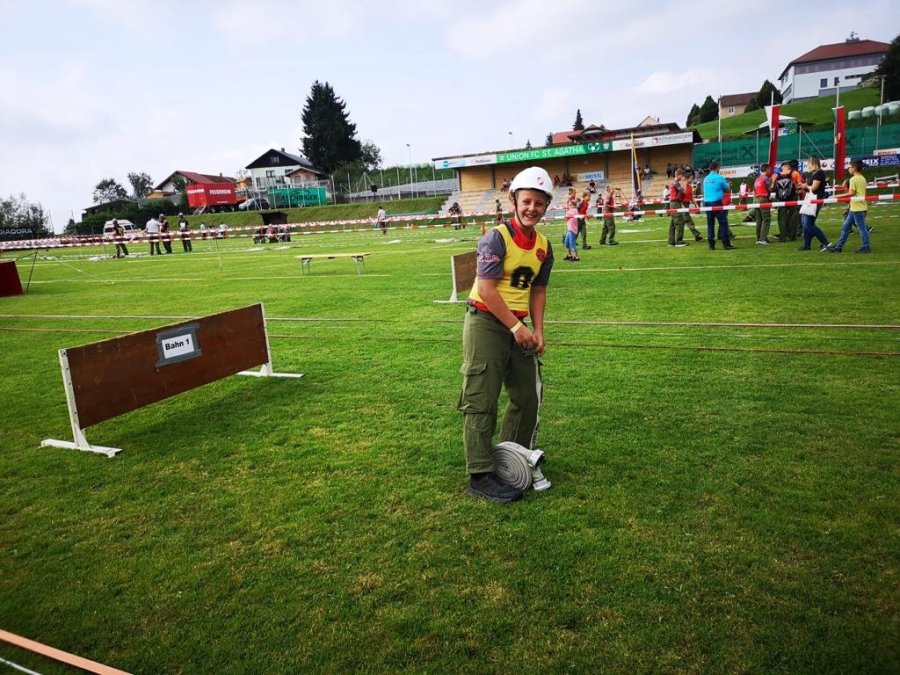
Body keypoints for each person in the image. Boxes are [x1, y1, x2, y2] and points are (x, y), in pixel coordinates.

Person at [459, 166, 555, 503]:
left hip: (519, 324)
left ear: (546, 206)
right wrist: (516, 327)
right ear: (514, 200)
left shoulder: (544, 245)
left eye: (539, 203)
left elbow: (538, 290)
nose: (532, 208)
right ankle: (481, 473)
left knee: (528, 395)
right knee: (481, 396)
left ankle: (512, 457)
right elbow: (486, 289)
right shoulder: (496, 238)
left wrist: (538, 329)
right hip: (487, 322)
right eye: (527, 201)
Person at [829, 159, 871, 253]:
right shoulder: (862, 178)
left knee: (861, 229)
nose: (848, 169)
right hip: (855, 208)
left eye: (849, 167)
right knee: (845, 227)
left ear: (854, 168)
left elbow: (851, 193)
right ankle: (838, 247)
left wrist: (836, 196)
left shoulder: (853, 179)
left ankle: (866, 247)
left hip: (858, 209)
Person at [797, 155, 830, 252]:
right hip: (810, 200)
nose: (808, 165)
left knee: (808, 224)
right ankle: (806, 245)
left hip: (815, 201)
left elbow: (814, 188)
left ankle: (825, 243)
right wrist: (804, 186)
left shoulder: (819, 173)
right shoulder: (816, 173)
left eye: (809, 163)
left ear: (813, 163)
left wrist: (805, 186)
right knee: (806, 224)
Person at [702, 161, 734, 250]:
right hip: (717, 202)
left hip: (707, 203)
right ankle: (726, 244)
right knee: (723, 223)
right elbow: (727, 189)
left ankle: (711, 245)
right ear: (717, 168)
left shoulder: (706, 179)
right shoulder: (719, 177)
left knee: (710, 224)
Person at [774, 162, 799, 241]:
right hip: (792, 197)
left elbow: (773, 187)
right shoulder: (794, 174)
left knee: (781, 217)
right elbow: (799, 185)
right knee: (793, 217)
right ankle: (792, 236)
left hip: (781, 198)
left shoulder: (776, 175)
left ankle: (783, 236)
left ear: (782, 167)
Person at [680, 171, 704, 243]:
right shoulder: (682, 186)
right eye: (691, 178)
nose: (692, 179)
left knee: (682, 223)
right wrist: (682, 206)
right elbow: (680, 197)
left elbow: (691, 197)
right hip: (683, 205)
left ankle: (676, 239)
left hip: (686, 205)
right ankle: (697, 236)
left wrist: (696, 204)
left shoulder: (690, 187)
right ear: (687, 178)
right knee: (689, 221)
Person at [667, 169, 689, 247]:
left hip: (672, 203)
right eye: (682, 175)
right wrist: (685, 183)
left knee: (673, 223)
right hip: (675, 203)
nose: (683, 177)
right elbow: (684, 192)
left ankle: (671, 241)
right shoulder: (676, 183)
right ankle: (679, 241)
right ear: (679, 175)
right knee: (679, 221)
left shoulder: (672, 182)